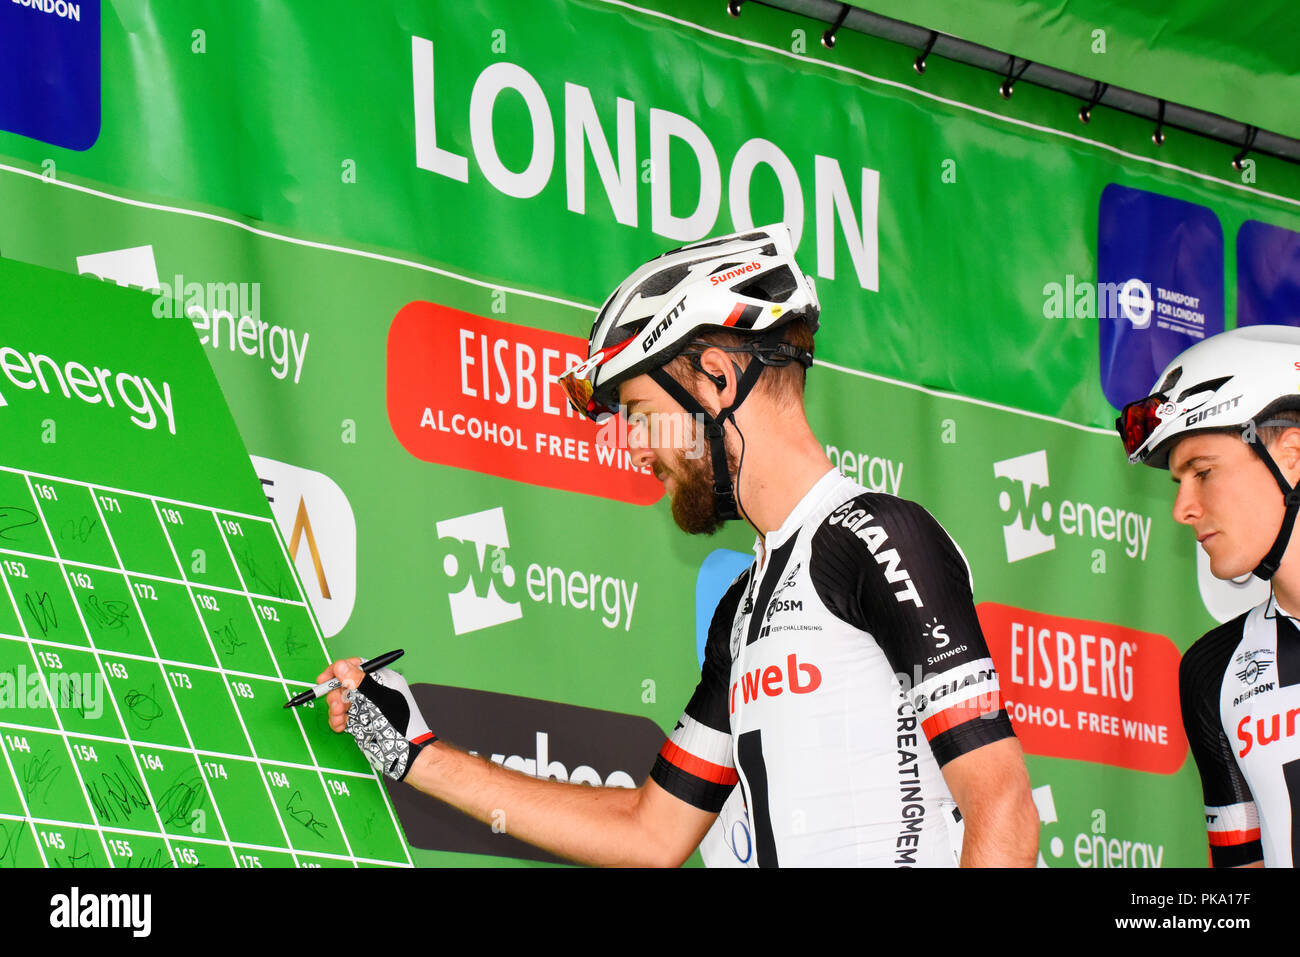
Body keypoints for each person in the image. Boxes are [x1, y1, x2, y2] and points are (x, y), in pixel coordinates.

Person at [321, 224, 1039, 867]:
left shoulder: (875, 537)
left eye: (640, 414)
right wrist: (415, 753)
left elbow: (1002, 810)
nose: (633, 448)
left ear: (719, 378)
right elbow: (650, 831)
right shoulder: (745, 606)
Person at [1117, 323, 1300, 867]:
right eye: (1179, 483)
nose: (1182, 509)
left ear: (1292, 455)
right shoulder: (1212, 671)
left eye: (1203, 472)